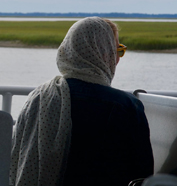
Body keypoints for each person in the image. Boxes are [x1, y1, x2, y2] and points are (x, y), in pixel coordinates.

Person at [9, 17, 153, 186]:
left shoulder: (39, 97)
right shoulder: (125, 106)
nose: (118, 59)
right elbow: (143, 175)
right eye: (117, 51)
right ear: (103, 54)